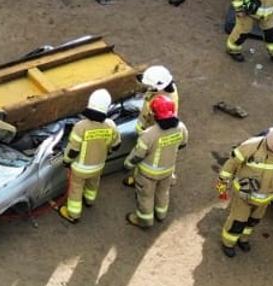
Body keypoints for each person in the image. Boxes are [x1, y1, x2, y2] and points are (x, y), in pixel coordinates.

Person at [216, 129, 273, 257]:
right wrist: (222, 187)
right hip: (244, 195)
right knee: (238, 221)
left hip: (265, 199)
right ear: (267, 140)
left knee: (253, 221)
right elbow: (230, 166)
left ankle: (243, 239)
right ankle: (228, 243)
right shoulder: (250, 147)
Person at [124, 96, 188, 229]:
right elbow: (183, 144)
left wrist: (128, 164)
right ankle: (161, 214)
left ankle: (145, 221)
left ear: (154, 115)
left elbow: (137, 155)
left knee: (146, 197)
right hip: (168, 170)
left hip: (148, 174)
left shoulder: (148, 135)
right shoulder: (181, 127)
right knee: (163, 192)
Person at [60, 89, 118, 223]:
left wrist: (66, 161)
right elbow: (115, 145)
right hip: (98, 166)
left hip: (80, 168)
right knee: (93, 184)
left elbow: (73, 150)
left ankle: (73, 214)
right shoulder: (110, 125)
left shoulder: (81, 127)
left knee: (76, 190)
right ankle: (89, 200)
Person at [136, 65, 178, 132]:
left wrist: (142, 129)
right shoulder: (168, 87)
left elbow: (148, 116)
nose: (147, 86)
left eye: (149, 84)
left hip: (149, 127)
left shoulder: (160, 103)